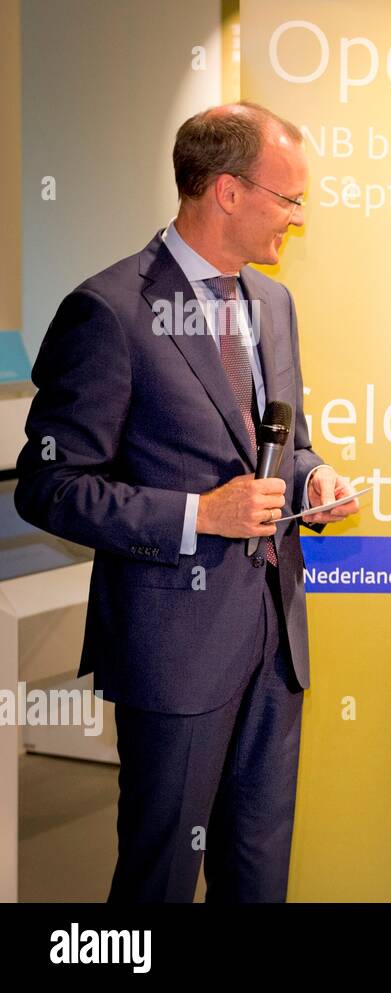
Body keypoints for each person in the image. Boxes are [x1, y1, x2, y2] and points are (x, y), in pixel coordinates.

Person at [15, 101, 358, 902]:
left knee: (258, 875)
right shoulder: (110, 311)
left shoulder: (273, 305)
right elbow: (50, 484)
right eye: (289, 198)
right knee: (159, 878)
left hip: (275, 642)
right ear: (229, 192)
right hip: (174, 652)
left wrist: (312, 480)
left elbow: (285, 442)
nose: (298, 220)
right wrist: (199, 514)